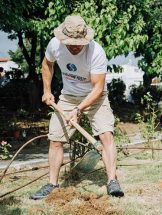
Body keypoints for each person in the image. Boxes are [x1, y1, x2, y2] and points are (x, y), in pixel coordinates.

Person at [31, 15, 124, 200]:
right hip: (67, 97)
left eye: (78, 43)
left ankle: (112, 181)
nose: (74, 46)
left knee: (106, 135)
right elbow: (47, 64)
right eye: (70, 42)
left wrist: (78, 110)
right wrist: (47, 90)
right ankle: (52, 183)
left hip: (95, 97)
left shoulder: (96, 52)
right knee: (56, 139)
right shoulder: (54, 45)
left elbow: (98, 88)